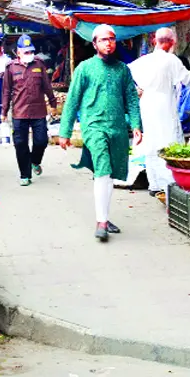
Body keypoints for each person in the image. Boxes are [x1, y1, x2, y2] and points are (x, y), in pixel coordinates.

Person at [59, 24, 142, 242]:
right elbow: (72, 101)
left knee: (110, 173)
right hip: (94, 127)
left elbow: (132, 99)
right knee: (103, 168)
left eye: (112, 39)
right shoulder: (84, 69)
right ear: (95, 44)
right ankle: (101, 222)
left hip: (117, 128)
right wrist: (64, 132)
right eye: (104, 40)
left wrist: (136, 125)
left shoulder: (123, 70)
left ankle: (103, 214)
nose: (109, 43)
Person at [129, 28, 190, 198]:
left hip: (147, 104)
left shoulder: (144, 61)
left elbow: (125, 73)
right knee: (169, 142)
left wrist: (136, 89)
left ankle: (154, 184)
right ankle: (170, 184)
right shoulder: (171, 60)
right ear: (172, 43)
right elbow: (187, 78)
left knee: (152, 142)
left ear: (154, 40)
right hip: (164, 105)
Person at [1, 34, 57, 186]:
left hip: (38, 111)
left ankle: (35, 161)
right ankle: (25, 175)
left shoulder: (39, 64)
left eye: (31, 51)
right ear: (18, 52)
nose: (29, 55)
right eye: (26, 52)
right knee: (20, 144)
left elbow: (47, 85)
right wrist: (4, 111)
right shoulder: (11, 68)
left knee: (42, 141)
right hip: (19, 112)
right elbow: (6, 91)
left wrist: (53, 103)